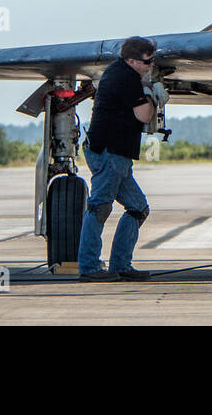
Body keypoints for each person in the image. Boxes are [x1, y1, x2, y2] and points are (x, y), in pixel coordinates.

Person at [77, 36, 158, 282]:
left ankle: (121, 265)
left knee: (137, 208)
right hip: (110, 154)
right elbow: (144, 115)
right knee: (99, 207)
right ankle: (89, 267)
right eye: (147, 61)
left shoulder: (116, 72)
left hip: (116, 155)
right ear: (132, 60)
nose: (151, 65)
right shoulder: (127, 78)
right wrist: (154, 96)